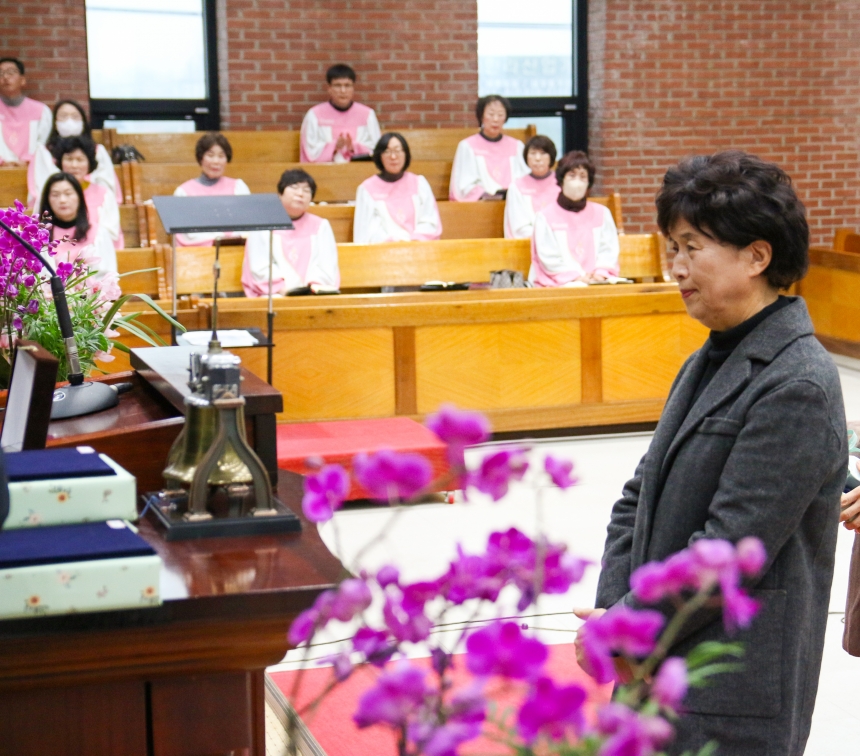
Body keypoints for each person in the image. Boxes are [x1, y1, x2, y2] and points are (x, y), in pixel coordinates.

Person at [576, 151, 846, 755]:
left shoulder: (797, 382)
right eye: (673, 247)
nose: (676, 266)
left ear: (756, 256)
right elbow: (636, 499)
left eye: (692, 247)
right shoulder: (707, 357)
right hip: (655, 659)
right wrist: (615, 612)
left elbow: (729, 549)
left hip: (729, 686)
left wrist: (631, 623)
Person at [242, 169, 339, 297]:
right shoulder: (263, 225)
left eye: (306, 190)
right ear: (280, 194)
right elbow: (259, 266)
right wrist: (282, 289)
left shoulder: (321, 226)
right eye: (294, 187)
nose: (300, 194)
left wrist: (312, 288)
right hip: (274, 293)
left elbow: (327, 265)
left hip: (312, 294)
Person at [528, 151, 619, 287]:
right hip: (558, 285)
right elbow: (548, 257)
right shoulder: (545, 217)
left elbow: (608, 250)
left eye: (583, 177)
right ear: (562, 179)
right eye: (572, 175)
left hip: (596, 283)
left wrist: (600, 274)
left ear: (589, 183)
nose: (577, 182)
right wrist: (576, 277)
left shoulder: (602, 214)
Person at [27, 99, 122, 207]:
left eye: (75, 117)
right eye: (63, 116)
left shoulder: (97, 151)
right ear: (55, 122)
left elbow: (106, 183)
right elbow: (41, 186)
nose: (69, 121)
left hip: (93, 205)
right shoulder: (44, 152)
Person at [353, 133, 442, 243]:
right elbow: (367, 231)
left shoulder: (419, 184)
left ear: (406, 154)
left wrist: (413, 241)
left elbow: (430, 221)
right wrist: (394, 243)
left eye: (398, 151)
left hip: (418, 248)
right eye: (387, 151)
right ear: (379, 156)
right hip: (384, 250)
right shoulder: (367, 189)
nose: (393, 157)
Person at [173, 133, 250, 247]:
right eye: (210, 155)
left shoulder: (238, 188)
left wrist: (230, 241)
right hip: (199, 253)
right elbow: (184, 235)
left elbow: (248, 225)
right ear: (201, 158)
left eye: (221, 156)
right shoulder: (183, 193)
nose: (216, 161)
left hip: (235, 250)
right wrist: (217, 240)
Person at [449, 94, 529, 202]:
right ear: (481, 116)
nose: (495, 119)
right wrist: (484, 195)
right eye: (491, 114)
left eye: (500, 115)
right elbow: (463, 185)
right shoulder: (467, 146)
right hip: (481, 205)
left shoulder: (517, 146)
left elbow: (526, 180)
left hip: (513, 203)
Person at [40, 172, 118, 280]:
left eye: (68, 194)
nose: (62, 200)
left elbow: (106, 277)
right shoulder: (40, 236)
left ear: (79, 197)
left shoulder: (98, 234)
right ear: (47, 199)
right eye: (55, 195)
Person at [50, 135, 123, 251]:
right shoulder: (51, 191)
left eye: (80, 160)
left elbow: (110, 233)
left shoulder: (104, 194)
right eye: (69, 159)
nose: (74, 165)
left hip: (95, 254)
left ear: (89, 163)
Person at [300, 64, 381, 164]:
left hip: (358, 169)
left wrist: (354, 147)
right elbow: (309, 151)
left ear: (353, 88)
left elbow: (377, 149)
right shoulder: (314, 115)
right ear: (329, 88)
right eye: (338, 85)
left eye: (347, 85)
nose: (343, 91)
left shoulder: (367, 115)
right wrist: (334, 147)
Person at [504, 135, 559, 239]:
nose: (537, 158)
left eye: (543, 153)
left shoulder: (561, 184)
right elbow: (518, 227)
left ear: (551, 157)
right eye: (533, 153)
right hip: (528, 242)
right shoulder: (517, 187)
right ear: (526, 157)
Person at [0, 57, 51, 165]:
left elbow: (42, 144)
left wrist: (27, 161)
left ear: (22, 80)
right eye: (1, 73)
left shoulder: (41, 111)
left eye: (11, 72)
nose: (5, 77)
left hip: (32, 168)